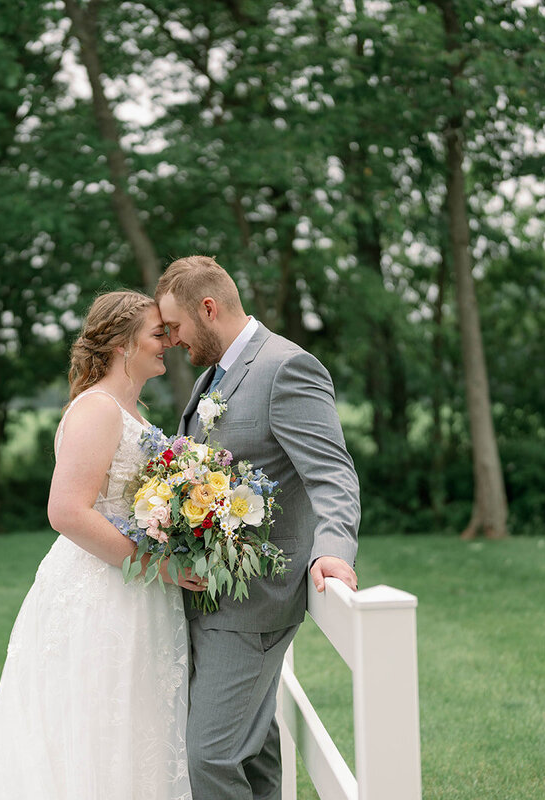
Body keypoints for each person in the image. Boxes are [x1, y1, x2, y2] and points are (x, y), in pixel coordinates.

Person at [0, 290, 201, 800]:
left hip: (136, 591)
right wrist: (160, 566)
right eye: (158, 334)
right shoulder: (98, 409)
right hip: (101, 593)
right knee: (95, 727)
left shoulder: (130, 412)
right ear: (120, 344)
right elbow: (66, 511)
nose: (168, 343)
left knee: (137, 730)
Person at [156, 256, 361, 800]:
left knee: (211, 757)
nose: (172, 339)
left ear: (209, 308)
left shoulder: (286, 367)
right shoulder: (212, 376)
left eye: (175, 327)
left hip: (255, 604)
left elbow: (332, 472)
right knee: (254, 756)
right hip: (212, 598)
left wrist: (334, 549)